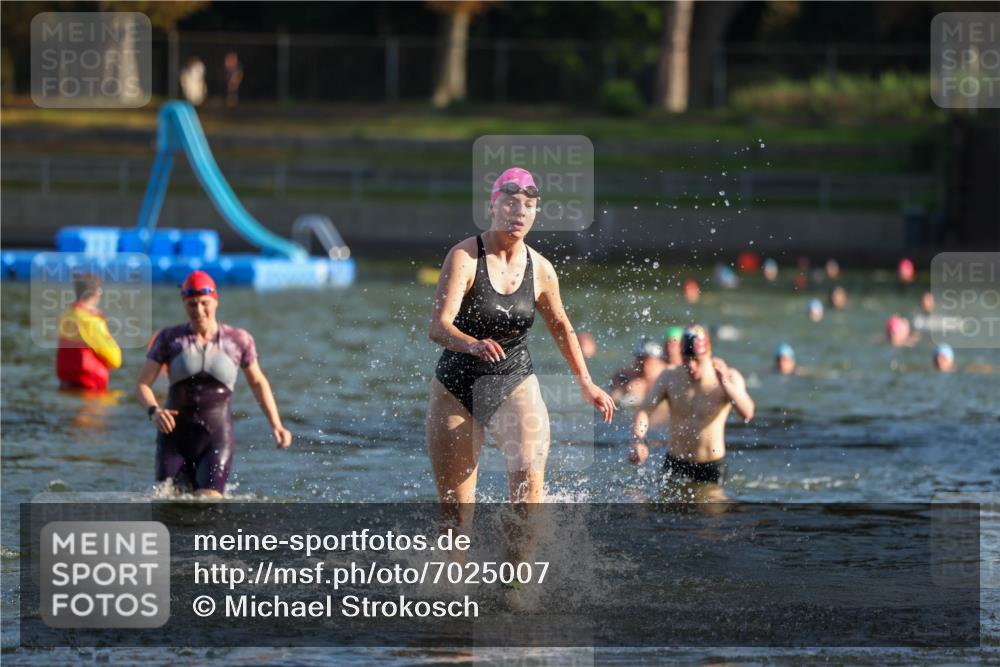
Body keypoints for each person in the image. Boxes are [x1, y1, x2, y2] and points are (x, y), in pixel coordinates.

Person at [427, 167, 615, 518]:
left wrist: (586, 382)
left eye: (528, 206)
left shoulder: (541, 268)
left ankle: (519, 557)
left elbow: (561, 326)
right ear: (491, 207)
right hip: (457, 386)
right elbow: (438, 328)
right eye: (510, 203)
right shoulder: (465, 257)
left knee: (528, 494)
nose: (519, 212)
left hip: (514, 379)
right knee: (456, 518)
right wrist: (471, 344)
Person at [135, 271, 291, 497]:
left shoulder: (238, 340)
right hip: (173, 437)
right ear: (183, 303)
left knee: (208, 503)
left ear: (216, 301)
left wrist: (276, 425)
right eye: (192, 304)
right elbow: (142, 384)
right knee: (170, 504)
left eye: (204, 303)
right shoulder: (169, 338)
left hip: (216, 437)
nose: (199, 311)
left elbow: (258, 382)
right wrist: (154, 411)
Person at [628, 326, 755, 492]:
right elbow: (644, 410)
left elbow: (747, 413)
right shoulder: (670, 377)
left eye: (696, 359)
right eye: (686, 359)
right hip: (675, 463)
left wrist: (725, 383)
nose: (691, 366)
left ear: (708, 354)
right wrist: (638, 440)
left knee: (712, 508)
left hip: (711, 467)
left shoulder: (729, 377)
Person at [56, 273, 122, 391]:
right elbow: (115, 359)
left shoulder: (67, 314)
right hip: (89, 385)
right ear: (95, 294)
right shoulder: (90, 320)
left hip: (67, 382)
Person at [609, 337, 667, 406]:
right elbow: (613, 398)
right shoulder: (625, 374)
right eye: (640, 360)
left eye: (649, 362)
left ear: (658, 361)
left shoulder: (667, 374)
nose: (644, 366)